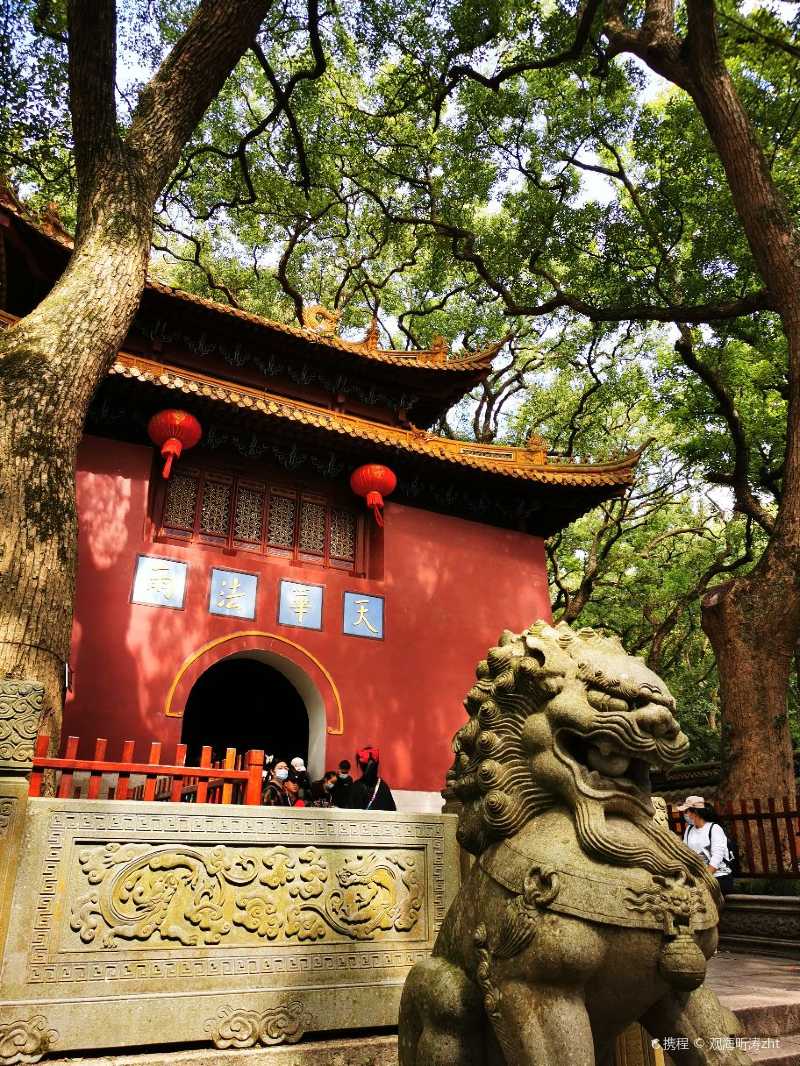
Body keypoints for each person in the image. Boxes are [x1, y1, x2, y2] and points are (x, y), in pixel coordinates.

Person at [677, 795, 735, 896]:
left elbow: (717, 858)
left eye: (686, 811)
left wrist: (704, 880)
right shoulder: (689, 829)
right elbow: (685, 852)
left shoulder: (714, 828)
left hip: (717, 877)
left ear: (695, 812)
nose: (685, 815)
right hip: (697, 877)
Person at [347, 746, 396, 811]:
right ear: (377, 764)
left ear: (361, 766)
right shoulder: (383, 787)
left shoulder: (355, 787)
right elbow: (392, 811)